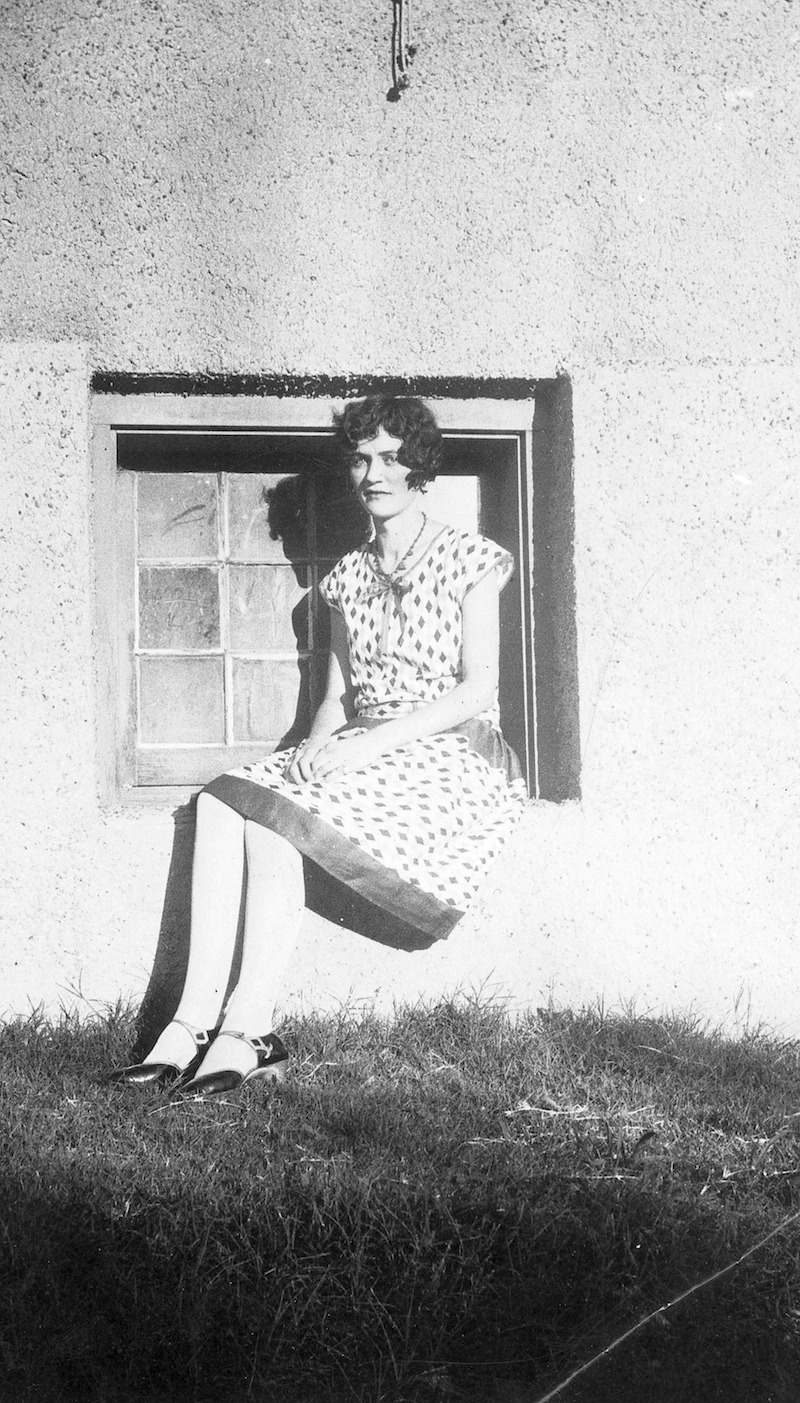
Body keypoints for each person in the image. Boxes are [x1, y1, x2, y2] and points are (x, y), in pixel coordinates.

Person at [109, 396, 528, 1098]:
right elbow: (337, 696)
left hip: (448, 749)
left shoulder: (471, 558)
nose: (374, 474)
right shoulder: (345, 578)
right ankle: (190, 1025)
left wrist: (365, 748)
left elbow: (477, 688)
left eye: (391, 458)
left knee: (276, 817)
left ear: (420, 466)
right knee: (223, 800)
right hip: (365, 742)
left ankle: (248, 1028)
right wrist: (315, 746)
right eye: (361, 460)